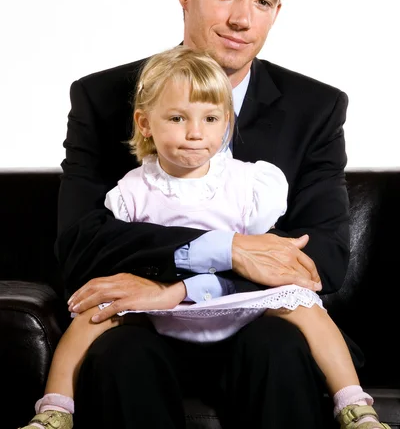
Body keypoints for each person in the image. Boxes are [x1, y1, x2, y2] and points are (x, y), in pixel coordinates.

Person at [53, 0, 363, 429]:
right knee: (119, 355)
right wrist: (230, 248)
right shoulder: (102, 98)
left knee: (279, 349)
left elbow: (321, 260)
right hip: (142, 326)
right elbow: (83, 244)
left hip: (260, 322)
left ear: (276, 12)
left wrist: (179, 289)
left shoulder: (317, 109)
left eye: (262, 1)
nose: (242, 18)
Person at [20, 47, 388, 429]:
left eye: (210, 118)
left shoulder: (251, 181)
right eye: (178, 118)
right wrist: (209, 256)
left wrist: (188, 285)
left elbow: (309, 261)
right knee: (93, 315)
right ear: (145, 123)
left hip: (239, 301)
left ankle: (355, 406)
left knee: (301, 305)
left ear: (226, 123)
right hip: (154, 315)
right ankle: (54, 410)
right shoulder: (131, 187)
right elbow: (95, 243)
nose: (195, 133)